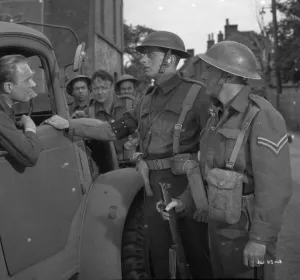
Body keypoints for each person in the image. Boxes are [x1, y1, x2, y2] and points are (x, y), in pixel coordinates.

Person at [45, 30, 213, 279]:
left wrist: (201, 192)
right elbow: (111, 129)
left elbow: (212, 150)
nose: (142, 60)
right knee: (160, 255)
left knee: (196, 255)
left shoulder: (198, 94)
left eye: (149, 55)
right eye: (142, 55)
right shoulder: (146, 100)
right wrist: (70, 125)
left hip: (186, 185)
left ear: (169, 58)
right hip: (151, 187)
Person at [158, 41, 292, 279]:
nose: (204, 75)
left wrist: (260, 239)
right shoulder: (216, 117)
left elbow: (275, 188)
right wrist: (185, 202)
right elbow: (207, 171)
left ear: (226, 76)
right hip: (219, 227)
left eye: (209, 70)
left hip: (246, 233)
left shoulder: (261, 115)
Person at [0, 54, 42, 166]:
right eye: (27, 80)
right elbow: (30, 155)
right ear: (8, 87)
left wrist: (18, 124)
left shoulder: (6, 109)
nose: (33, 84)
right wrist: (30, 128)